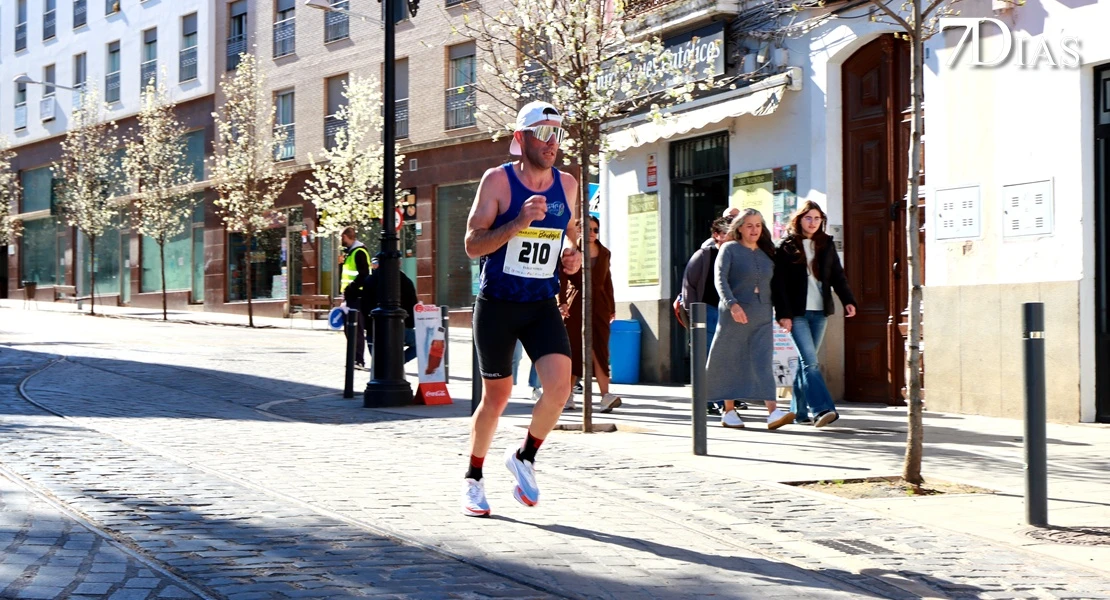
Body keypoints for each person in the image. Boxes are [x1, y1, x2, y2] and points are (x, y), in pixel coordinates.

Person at [461, 101, 582, 517]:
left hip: (541, 303)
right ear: (521, 138)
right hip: (498, 304)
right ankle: (474, 478)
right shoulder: (498, 181)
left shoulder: (567, 184)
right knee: (496, 397)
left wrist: (570, 252)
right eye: (543, 133)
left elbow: (569, 232)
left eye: (557, 133)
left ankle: (524, 456)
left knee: (560, 389)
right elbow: (472, 244)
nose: (552, 142)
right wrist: (517, 223)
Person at [772, 200, 857, 427]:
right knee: (811, 363)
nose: (813, 222)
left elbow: (837, 275)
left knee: (805, 363)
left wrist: (848, 300)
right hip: (797, 313)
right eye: (808, 218)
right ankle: (822, 409)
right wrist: (783, 314)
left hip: (820, 311)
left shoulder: (826, 244)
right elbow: (778, 284)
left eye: (817, 218)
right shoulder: (786, 246)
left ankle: (798, 413)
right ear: (799, 219)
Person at [707, 209, 794, 430]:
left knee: (763, 360)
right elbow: (720, 279)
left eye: (758, 225)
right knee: (731, 359)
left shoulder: (767, 252)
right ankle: (728, 411)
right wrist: (732, 304)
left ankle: (773, 412)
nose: (754, 230)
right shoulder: (729, 249)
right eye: (749, 225)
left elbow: (778, 286)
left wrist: (783, 314)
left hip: (762, 313)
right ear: (739, 228)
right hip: (734, 313)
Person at [677, 216, 737, 416]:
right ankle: (712, 400)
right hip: (708, 311)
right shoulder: (704, 256)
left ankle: (721, 399)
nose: (732, 237)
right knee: (709, 357)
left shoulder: (738, 255)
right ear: (716, 235)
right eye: (727, 233)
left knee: (725, 358)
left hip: (730, 312)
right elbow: (689, 286)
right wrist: (695, 315)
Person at [560, 215, 620, 413]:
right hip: (576, 304)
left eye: (596, 230)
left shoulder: (605, 253)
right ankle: (568, 396)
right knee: (574, 349)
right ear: (579, 231)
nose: (592, 233)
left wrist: (611, 306)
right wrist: (562, 302)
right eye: (588, 229)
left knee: (600, 349)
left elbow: (608, 280)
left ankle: (605, 396)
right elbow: (562, 278)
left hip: (600, 306)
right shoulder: (570, 252)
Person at [360, 257, 419, 366]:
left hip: (374, 329)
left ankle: (392, 365)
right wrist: (409, 325)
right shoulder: (405, 281)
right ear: (399, 263)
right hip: (400, 327)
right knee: (422, 343)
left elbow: (364, 306)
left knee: (379, 362)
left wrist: (368, 326)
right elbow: (412, 305)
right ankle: (396, 363)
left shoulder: (370, 280)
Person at [339, 227, 371, 369]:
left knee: (356, 329)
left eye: (342, 237)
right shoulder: (351, 253)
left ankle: (358, 360)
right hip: (349, 296)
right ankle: (354, 359)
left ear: (347, 236)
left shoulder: (359, 252)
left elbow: (364, 274)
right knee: (349, 329)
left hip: (357, 296)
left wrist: (351, 288)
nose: (341, 241)